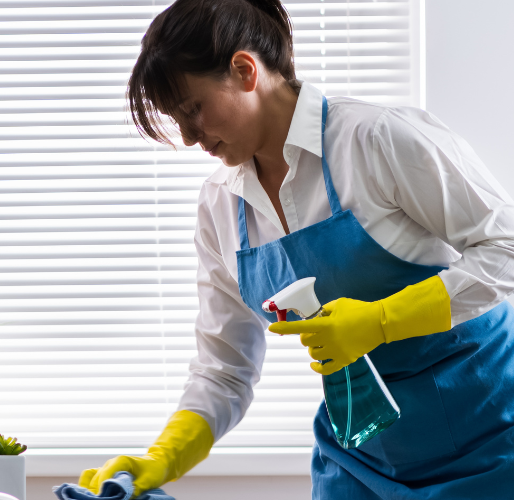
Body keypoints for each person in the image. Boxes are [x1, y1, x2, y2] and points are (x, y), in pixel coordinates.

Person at [77, 0, 514, 498]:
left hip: (490, 438)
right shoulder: (220, 206)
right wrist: (163, 455)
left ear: (245, 70)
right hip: (360, 459)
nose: (189, 136)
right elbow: (225, 369)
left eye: (193, 109)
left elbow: (507, 247)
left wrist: (382, 320)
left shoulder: (376, 139)